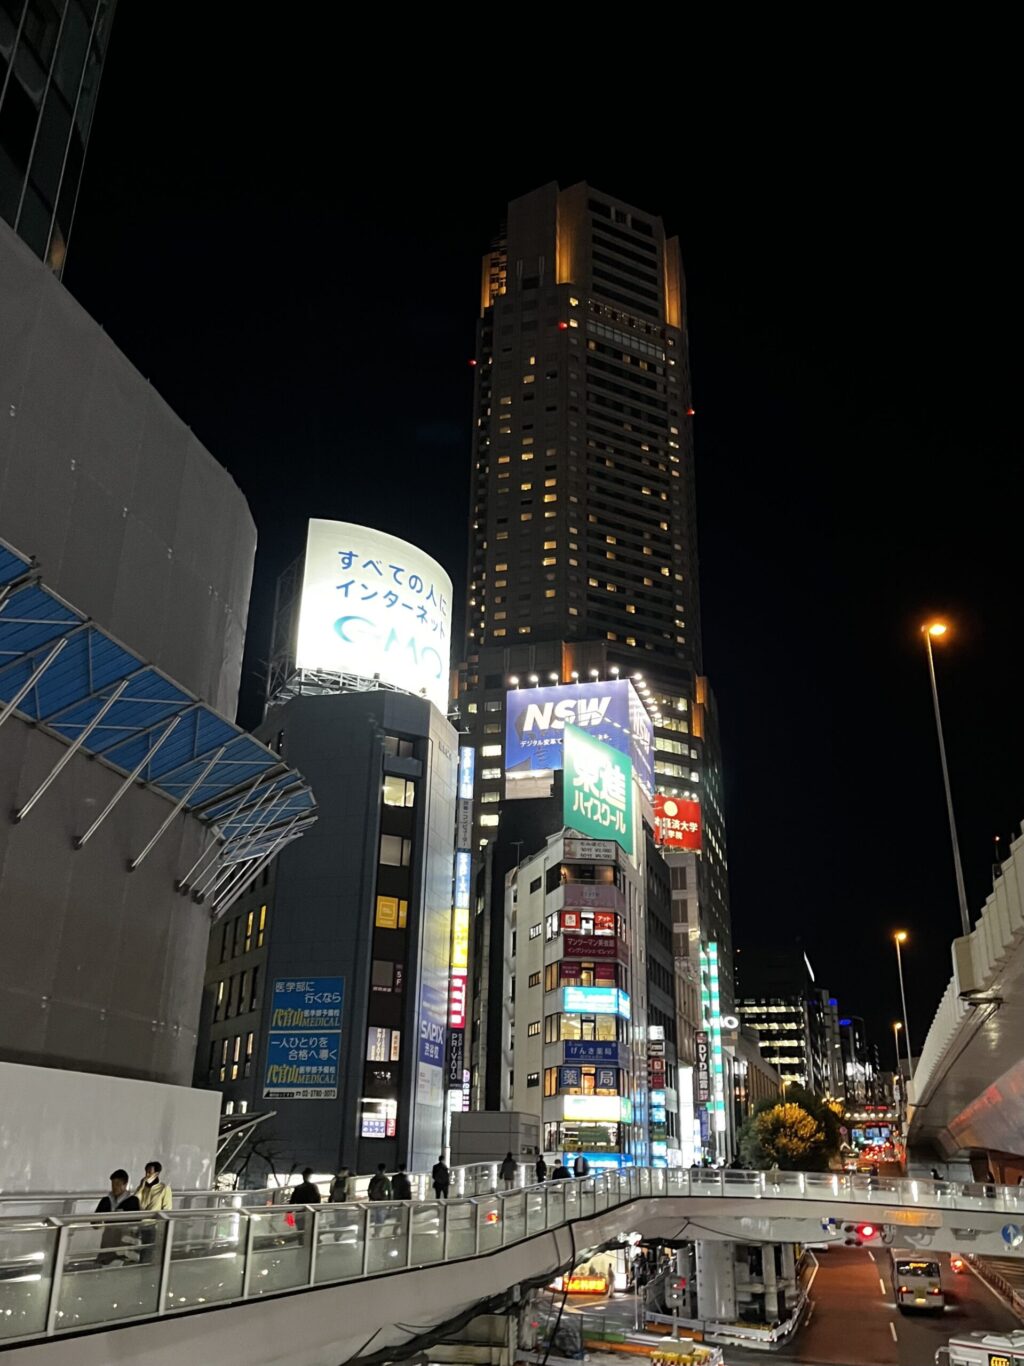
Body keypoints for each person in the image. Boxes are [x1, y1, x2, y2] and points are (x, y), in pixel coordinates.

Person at [94, 1169, 141, 1266]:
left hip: (124, 1243)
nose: (114, 1187)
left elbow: (136, 1222)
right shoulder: (106, 1201)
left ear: (125, 1184)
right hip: (108, 1241)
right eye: (113, 1184)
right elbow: (94, 1223)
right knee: (105, 1264)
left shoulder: (132, 1201)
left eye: (118, 1183)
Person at [135, 1161, 171, 1263]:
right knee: (136, 1254)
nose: (147, 1174)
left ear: (157, 1173)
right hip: (139, 1223)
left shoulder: (163, 1188)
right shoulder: (143, 1187)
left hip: (152, 1225)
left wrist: (161, 1227)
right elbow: (134, 1201)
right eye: (146, 1171)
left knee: (147, 1254)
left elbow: (167, 1209)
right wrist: (141, 1187)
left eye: (150, 1172)